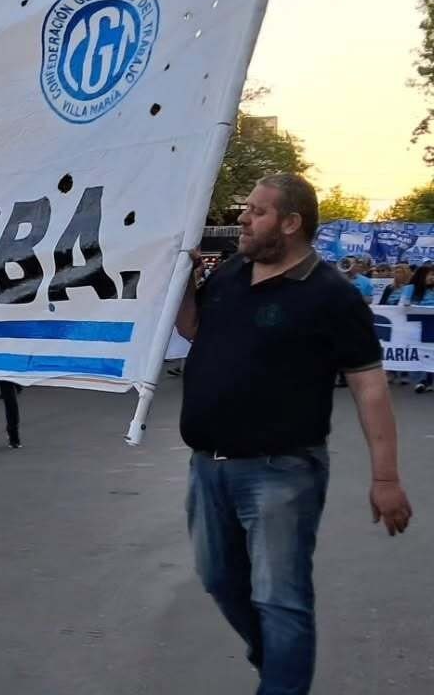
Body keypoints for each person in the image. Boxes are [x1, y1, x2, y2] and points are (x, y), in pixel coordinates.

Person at [175, 174, 412, 695]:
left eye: (256, 212)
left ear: (290, 223)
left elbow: (369, 387)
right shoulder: (232, 272)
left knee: (280, 599)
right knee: (219, 579)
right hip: (207, 466)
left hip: (281, 471)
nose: (242, 218)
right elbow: (193, 329)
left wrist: (386, 478)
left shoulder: (332, 295)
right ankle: (281, 658)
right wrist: (181, 283)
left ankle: (283, 675)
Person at [400, 265, 434, 393]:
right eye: (431, 274)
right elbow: (402, 305)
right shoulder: (410, 288)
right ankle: (421, 380)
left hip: (430, 325)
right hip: (415, 326)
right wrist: (408, 304)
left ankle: (428, 380)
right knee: (419, 353)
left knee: (431, 352)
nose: (432, 278)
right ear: (421, 275)